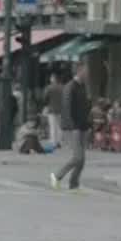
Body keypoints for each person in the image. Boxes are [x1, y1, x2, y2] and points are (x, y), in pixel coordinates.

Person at [49, 62, 91, 191]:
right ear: (79, 71)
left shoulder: (82, 86)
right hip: (73, 127)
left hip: (82, 126)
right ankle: (57, 176)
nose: (87, 73)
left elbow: (85, 107)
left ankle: (74, 184)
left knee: (82, 159)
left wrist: (87, 124)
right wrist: (72, 126)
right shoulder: (70, 87)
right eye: (85, 71)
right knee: (77, 157)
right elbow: (66, 108)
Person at [44, 74, 64, 148]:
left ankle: (53, 142)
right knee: (59, 126)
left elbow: (45, 98)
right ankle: (59, 142)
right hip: (60, 109)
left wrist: (46, 105)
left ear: (53, 79)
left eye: (51, 78)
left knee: (52, 126)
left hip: (51, 109)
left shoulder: (49, 88)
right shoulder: (62, 87)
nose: (50, 79)